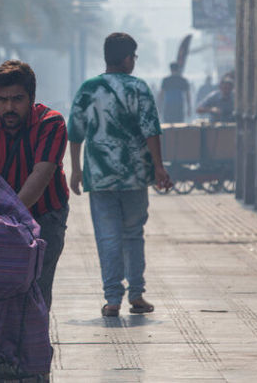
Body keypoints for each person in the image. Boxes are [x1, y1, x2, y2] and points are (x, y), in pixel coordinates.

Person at [67, 33, 172, 317]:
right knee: (133, 234)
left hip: (99, 176)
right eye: (134, 57)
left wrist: (76, 169)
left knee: (107, 237)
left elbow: (75, 132)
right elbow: (151, 130)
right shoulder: (138, 88)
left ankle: (113, 299)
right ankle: (136, 294)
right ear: (127, 58)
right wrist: (159, 167)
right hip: (135, 175)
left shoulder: (89, 89)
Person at [0, 60, 69, 309]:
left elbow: (40, 175)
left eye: (17, 99)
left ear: (31, 98)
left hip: (43, 214)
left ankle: (33, 345)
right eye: (2, 99)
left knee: (36, 289)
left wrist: (6, 219)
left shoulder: (51, 123)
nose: (9, 107)